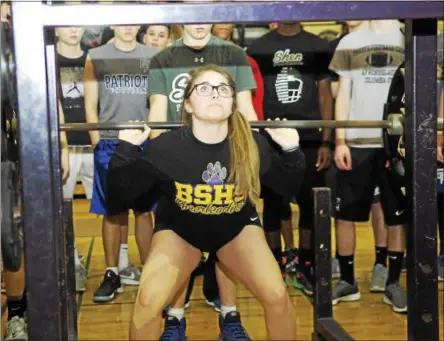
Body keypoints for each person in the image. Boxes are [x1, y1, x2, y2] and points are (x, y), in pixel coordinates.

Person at [107, 64, 304, 341]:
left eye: (223, 89)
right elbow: (119, 198)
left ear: (233, 103)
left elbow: (287, 188)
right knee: (147, 302)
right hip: (180, 231)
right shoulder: (165, 148)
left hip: (235, 229)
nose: (215, 94)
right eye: (204, 88)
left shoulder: (253, 145)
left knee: (277, 297)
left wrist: (292, 151)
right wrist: (125, 152)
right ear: (187, 104)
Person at [147, 22, 259, 339]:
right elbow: (157, 115)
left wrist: (252, 157)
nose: (198, 23)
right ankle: (175, 317)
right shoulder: (163, 59)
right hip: (180, 164)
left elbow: (247, 112)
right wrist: (165, 155)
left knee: (229, 238)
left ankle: (230, 316)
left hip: (229, 160)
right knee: (179, 240)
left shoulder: (234, 54)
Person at [247, 21, 333, 295]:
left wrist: (327, 139)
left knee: (309, 202)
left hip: (308, 136)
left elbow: (324, 94)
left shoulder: (318, 45)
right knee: (273, 203)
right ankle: (274, 262)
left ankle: (306, 264)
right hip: (270, 135)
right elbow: (252, 95)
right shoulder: (259, 47)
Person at [329, 19, 407, 313]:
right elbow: (343, 93)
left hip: (395, 141)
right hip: (357, 142)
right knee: (344, 213)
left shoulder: (405, 34)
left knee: (397, 214)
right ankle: (347, 281)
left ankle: (394, 283)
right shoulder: (350, 41)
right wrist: (339, 140)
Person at [84, 25, 158, 303]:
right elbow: (91, 103)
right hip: (109, 141)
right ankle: (112, 272)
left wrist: (152, 137)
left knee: (144, 210)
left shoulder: (152, 55)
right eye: (122, 21)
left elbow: (158, 101)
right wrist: (96, 140)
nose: (128, 27)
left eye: (132, 21)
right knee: (112, 211)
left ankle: (150, 272)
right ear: (113, 24)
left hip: (143, 141)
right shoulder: (97, 56)